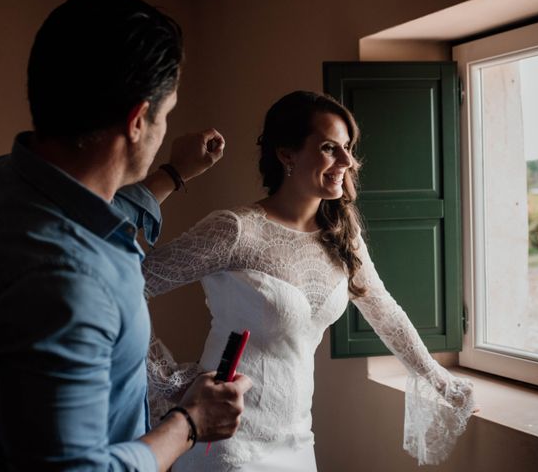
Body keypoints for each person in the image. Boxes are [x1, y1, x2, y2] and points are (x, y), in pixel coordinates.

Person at [143, 90, 475, 471]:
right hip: (227, 444)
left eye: (348, 148)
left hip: (298, 438)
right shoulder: (235, 231)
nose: (347, 161)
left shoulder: (341, 235)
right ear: (287, 154)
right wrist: (167, 379)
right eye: (330, 148)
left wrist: (440, 381)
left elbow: (384, 310)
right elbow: (130, 283)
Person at [0, 0, 251, 471]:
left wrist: (174, 174)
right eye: (167, 111)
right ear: (138, 120)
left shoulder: (13, 184)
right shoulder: (74, 281)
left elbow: (94, 206)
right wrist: (189, 423)